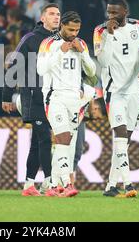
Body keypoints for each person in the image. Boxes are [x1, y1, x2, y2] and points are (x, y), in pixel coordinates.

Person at [93, 0, 139, 198]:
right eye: (108, 12)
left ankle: (110, 185)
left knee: (125, 140)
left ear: (125, 11)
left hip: (135, 91)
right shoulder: (100, 31)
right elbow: (104, 60)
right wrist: (109, 35)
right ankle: (127, 183)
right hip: (114, 92)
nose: (111, 16)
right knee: (119, 135)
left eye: (115, 12)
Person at [2, 3, 60, 196]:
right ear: (42, 18)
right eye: (51, 14)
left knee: (37, 142)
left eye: (58, 14)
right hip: (34, 96)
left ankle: (28, 185)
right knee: (44, 137)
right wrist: (6, 95)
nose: (56, 17)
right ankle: (50, 183)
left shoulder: (61, 41)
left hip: (54, 98)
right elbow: (14, 67)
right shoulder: (30, 39)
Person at [37, 11, 96, 197]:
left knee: (66, 143)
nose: (74, 34)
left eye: (77, 30)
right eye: (71, 29)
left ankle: (53, 185)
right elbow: (40, 69)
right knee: (62, 137)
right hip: (54, 97)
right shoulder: (49, 44)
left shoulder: (81, 44)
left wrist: (83, 54)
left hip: (74, 98)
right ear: (62, 25)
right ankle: (67, 183)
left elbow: (92, 71)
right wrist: (60, 52)